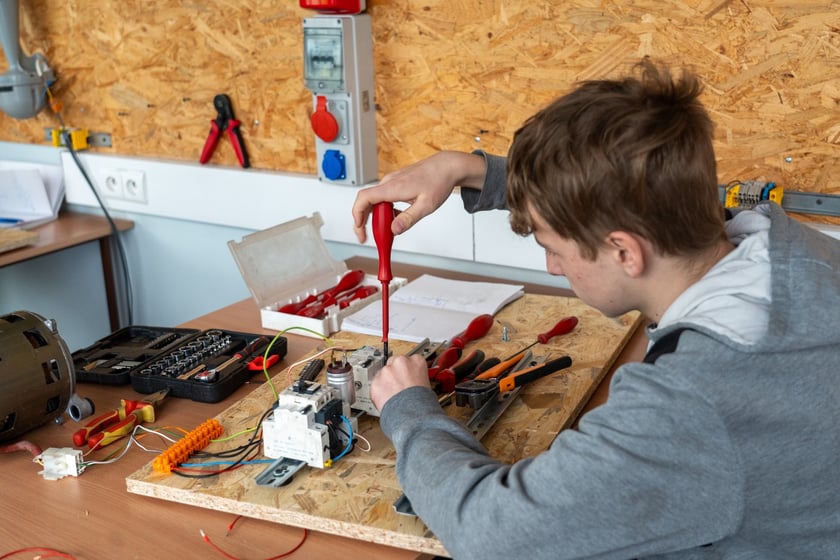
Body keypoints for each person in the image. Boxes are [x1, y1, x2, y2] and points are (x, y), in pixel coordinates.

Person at [351, 58, 840, 559]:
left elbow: (491, 535)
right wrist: (472, 169)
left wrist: (410, 412)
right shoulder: (794, 248)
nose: (551, 268)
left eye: (552, 248)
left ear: (625, 252)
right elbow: (631, 189)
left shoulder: (693, 403)